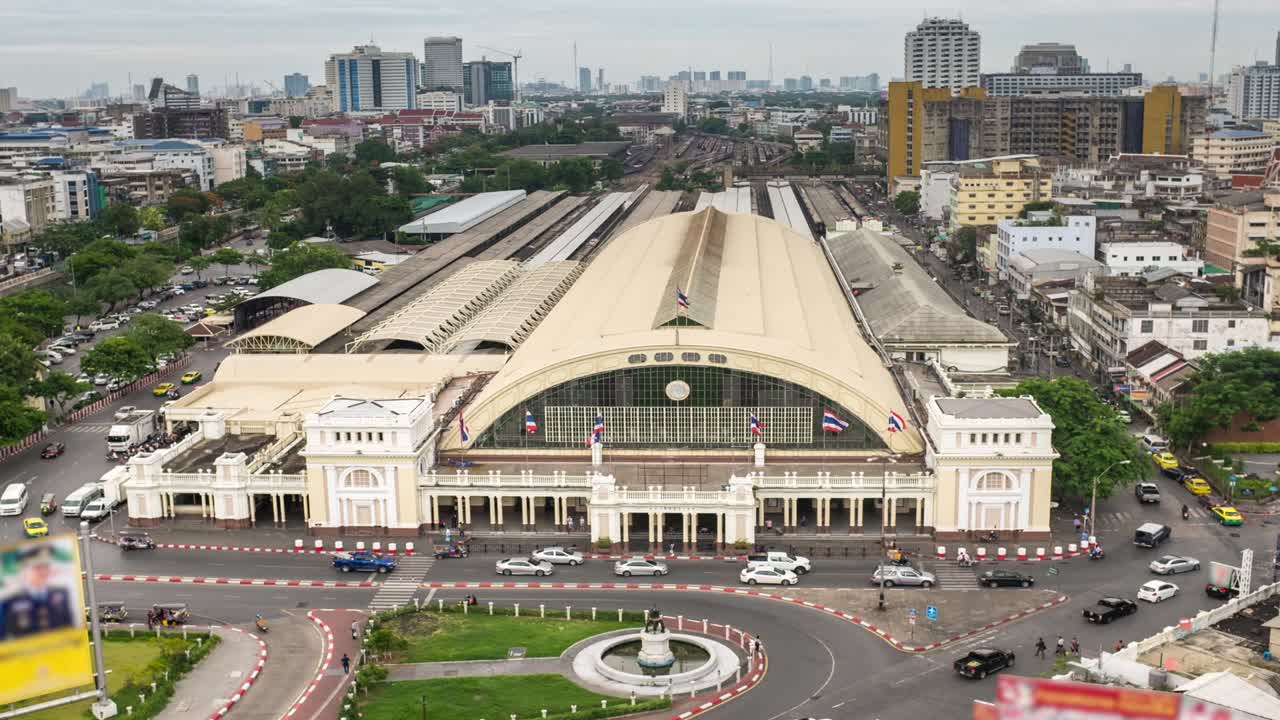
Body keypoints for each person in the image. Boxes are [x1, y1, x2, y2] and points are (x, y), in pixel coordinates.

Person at [0, 544, 75, 639]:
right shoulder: (9, 601)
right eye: (37, 568)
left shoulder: (61, 593)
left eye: (46, 567)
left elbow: (69, 628)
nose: (43, 572)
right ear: (24, 570)